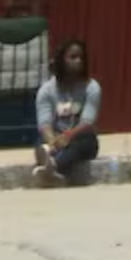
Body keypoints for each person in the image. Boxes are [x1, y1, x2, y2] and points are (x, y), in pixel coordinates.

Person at [33, 40, 101, 187]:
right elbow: (44, 122)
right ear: (61, 60)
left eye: (81, 57)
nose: (79, 61)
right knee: (40, 140)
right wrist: (52, 141)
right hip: (56, 136)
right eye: (73, 57)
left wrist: (68, 136)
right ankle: (51, 166)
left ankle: (53, 165)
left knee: (84, 141)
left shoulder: (91, 87)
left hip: (80, 137)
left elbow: (88, 121)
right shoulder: (46, 90)